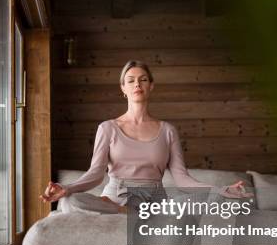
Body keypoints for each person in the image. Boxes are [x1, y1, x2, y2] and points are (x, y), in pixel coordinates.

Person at [39, 60, 251, 215]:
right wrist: (67, 188)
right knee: (69, 202)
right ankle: (126, 213)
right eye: (130, 80)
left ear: (151, 86)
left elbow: (183, 180)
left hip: (154, 203)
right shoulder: (108, 128)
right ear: (123, 88)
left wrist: (222, 190)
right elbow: (95, 174)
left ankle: (141, 214)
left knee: (209, 202)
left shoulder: (167, 130)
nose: (137, 84)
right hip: (114, 201)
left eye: (143, 80)